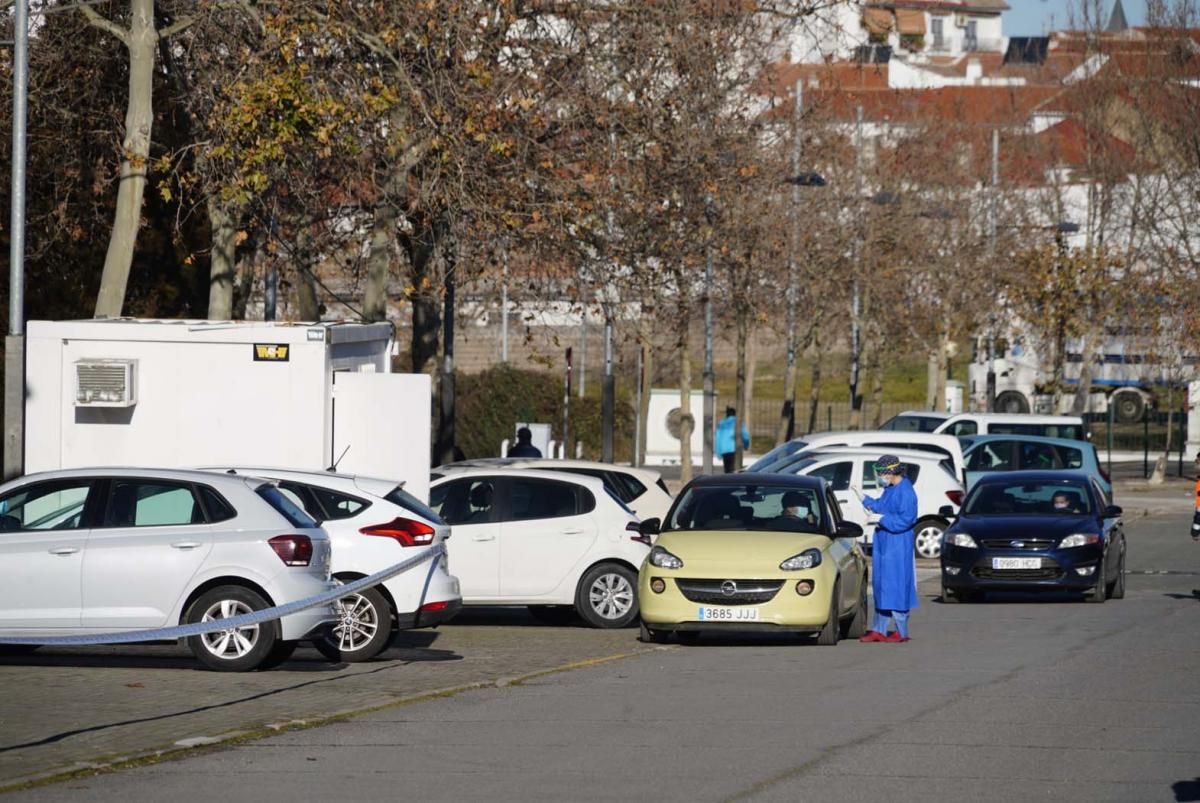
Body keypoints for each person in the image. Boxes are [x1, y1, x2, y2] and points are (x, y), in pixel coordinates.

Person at [852, 455, 918, 643]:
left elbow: (906, 520)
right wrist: (863, 498)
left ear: (891, 471)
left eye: (881, 472)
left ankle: (901, 631)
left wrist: (881, 519)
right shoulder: (891, 489)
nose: (879, 476)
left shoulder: (906, 492)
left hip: (898, 543)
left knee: (896, 584)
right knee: (882, 585)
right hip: (884, 542)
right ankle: (878, 629)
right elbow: (881, 506)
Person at [715, 407, 750, 474]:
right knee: (736, 470)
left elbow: (718, 439)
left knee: (727, 471)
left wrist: (718, 453)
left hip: (725, 451)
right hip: (735, 449)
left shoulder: (721, 424)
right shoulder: (739, 423)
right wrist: (746, 445)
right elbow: (745, 435)